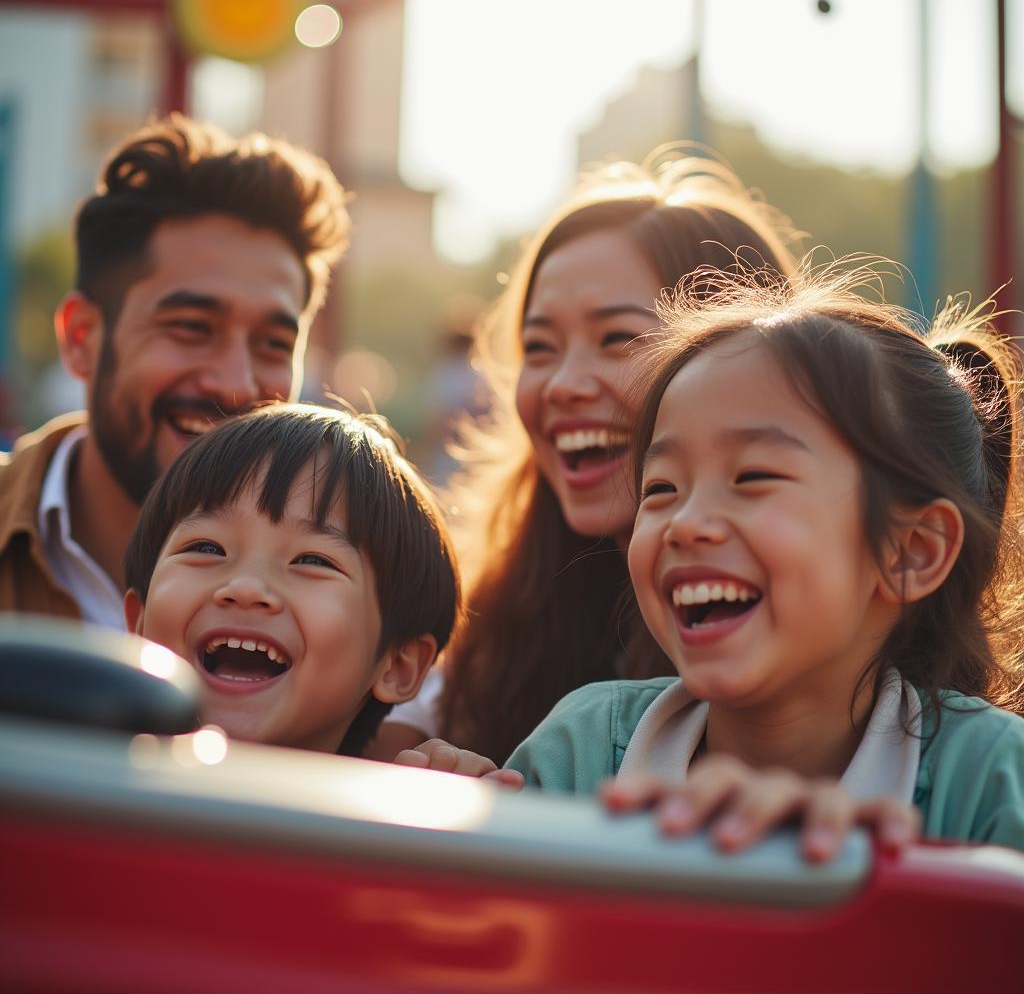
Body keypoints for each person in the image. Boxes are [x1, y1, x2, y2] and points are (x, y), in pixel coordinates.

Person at [502, 262, 1024, 855]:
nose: (687, 523)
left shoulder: (991, 782)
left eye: (752, 477)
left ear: (912, 551)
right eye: (661, 488)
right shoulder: (582, 751)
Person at [370, 150, 802, 765]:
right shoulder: (485, 625)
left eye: (618, 338)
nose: (564, 384)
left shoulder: (840, 665)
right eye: (540, 347)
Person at [0, 114, 350, 626]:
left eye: (273, 343)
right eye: (191, 327)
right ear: (82, 339)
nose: (235, 384)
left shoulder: (352, 605)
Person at [123, 403, 461, 756]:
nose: (245, 588)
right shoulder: (68, 786)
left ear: (398, 665)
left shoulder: (415, 805)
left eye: (312, 561)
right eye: (207, 548)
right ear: (138, 623)